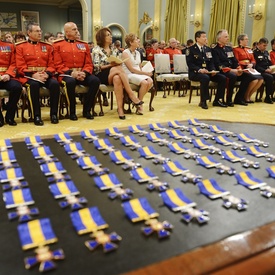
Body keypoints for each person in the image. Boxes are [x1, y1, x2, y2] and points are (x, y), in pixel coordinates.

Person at [92, 28, 144, 120]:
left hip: (114, 73)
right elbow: (96, 67)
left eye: (110, 34)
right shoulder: (96, 50)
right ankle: (131, 95)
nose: (111, 36)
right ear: (102, 37)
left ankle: (120, 109)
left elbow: (118, 62)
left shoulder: (114, 49)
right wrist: (110, 65)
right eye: (108, 35)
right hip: (101, 74)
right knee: (118, 69)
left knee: (117, 78)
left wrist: (118, 62)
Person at [53, 22, 100, 120]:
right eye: (74, 29)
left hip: (82, 73)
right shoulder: (57, 45)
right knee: (70, 82)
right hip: (66, 74)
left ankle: (86, 110)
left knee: (95, 81)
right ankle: (72, 111)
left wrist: (85, 72)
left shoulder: (83, 45)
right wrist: (71, 73)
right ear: (67, 32)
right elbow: (58, 64)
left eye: (77, 29)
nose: (77, 31)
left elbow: (88, 63)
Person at [16, 22, 60, 125]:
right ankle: (36, 115)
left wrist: (47, 74)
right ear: (29, 33)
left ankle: (54, 114)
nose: (40, 33)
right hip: (29, 77)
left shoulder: (47, 47)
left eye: (40, 31)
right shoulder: (20, 47)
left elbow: (52, 64)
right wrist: (33, 75)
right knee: (34, 85)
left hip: (45, 75)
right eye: (37, 31)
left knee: (55, 84)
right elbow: (20, 67)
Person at [211, 29, 256, 106]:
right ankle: (228, 100)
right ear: (219, 38)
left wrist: (239, 69)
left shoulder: (228, 48)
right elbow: (218, 65)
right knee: (232, 76)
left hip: (233, 70)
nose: (228, 38)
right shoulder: (215, 50)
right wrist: (232, 70)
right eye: (225, 37)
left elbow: (234, 61)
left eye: (228, 36)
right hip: (223, 71)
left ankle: (239, 98)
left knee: (248, 76)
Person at [186, 30, 227, 109]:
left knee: (222, 78)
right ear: (197, 39)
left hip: (207, 72)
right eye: (203, 37)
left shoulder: (208, 49)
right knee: (205, 78)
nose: (205, 38)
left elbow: (211, 62)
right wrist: (200, 70)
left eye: (206, 37)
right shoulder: (190, 49)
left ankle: (217, 100)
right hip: (195, 73)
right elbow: (190, 64)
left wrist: (212, 70)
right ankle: (203, 101)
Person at [121, 33, 153, 115]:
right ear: (131, 42)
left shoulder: (138, 53)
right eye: (136, 40)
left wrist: (145, 72)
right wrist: (145, 73)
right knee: (144, 82)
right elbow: (131, 69)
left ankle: (138, 101)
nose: (138, 41)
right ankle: (139, 106)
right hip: (129, 74)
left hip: (138, 73)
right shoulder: (125, 53)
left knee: (150, 81)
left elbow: (139, 66)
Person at [0, 29, 22, 127]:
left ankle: (10, 115)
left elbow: (14, 63)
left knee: (17, 87)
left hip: (6, 76)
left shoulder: (9, 46)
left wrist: (8, 74)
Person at [233, 34, 263, 103]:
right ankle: (244, 96)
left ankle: (248, 96)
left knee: (260, 79)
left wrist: (251, 64)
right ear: (241, 40)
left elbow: (253, 60)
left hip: (250, 68)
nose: (247, 40)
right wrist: (246, 64)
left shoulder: (248, 49)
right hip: (242, 69)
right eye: (246, 39)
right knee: (254, 80)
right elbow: (236, 61)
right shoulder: (236, 49)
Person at [253, 37, 274, 104]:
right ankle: (268, 96)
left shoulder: (266, 53)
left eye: (266, 45)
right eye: (264, 45)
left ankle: (272, 96)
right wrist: (265, 70)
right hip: (260, 71)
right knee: (270, 77)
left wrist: (272, 68)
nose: (265, 47)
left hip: (268, 70)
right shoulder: (254, 53)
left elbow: (269, 62)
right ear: (259, 44)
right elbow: (256, 66)